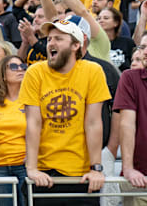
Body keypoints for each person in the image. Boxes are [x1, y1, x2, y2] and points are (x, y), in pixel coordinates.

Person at [19, 19, 111, 205]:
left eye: (59, 39)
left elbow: (93, 123)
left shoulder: (93, 71)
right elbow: (33, 123)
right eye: (49, 38)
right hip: (45, 174)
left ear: (76, 45)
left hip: (81, 174)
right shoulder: (35, 72)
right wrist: (32, 168)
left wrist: (96, 168)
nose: (51, 43)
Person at [0, 55, 28, 206]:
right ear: (3, 74)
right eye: (14, 67)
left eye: (23, 66)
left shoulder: (32, 98)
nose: (20, 69)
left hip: (25, 166)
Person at [114, 34, 147, 205]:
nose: (145, 52)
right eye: (142, 47)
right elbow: (126, 124)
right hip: (139, 179)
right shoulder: (130, 78)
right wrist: (128, 169)